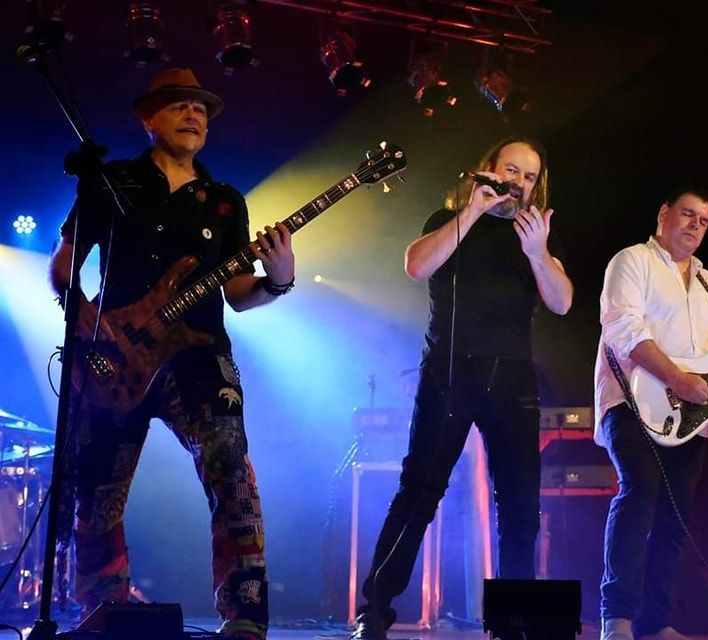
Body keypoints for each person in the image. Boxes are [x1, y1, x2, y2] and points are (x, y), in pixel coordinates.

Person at [48, 68, 295, 640]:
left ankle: (245, 615)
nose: (193, 115)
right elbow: (63, 267)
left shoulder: (226, 203)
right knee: (98, 490)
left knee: (231, 469)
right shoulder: (112, 183)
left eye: (201, 109)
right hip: (115, 356)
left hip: (199, 356)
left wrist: (278, 279)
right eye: (180, 105)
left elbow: (238, 294)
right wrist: (88, 324)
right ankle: (102, 611)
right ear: (149, 118)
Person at [351, 136, 573, 639]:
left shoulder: (536, 235)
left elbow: (562, 302)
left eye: (530, 176)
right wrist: (472, 212)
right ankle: (376, 610)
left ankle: (513, 622)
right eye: (511, 170)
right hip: (449, 373)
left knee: (519, 502)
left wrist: (538, 253)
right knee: (419, 491)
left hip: (511, 378)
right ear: (488, 169)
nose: (518, 182)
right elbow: (416, 265)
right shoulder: (447, 220)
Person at [594, 187, 708, 640]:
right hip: (631, 401)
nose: (695, 225)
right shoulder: (632, 261)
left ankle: (654, 622)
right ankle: (617, 618)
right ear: (664, 213)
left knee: (674, 516)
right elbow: (622, 328)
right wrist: (676, 378)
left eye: (703, 221)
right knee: (639, 493)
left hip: (692, 418)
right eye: (688, 214)